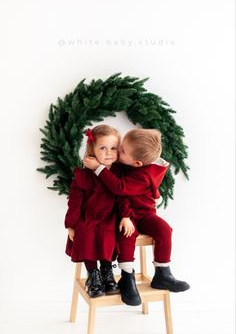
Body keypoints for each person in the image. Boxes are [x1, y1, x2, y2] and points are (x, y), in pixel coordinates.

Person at [83, 128, 190, 306]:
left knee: (164, 230)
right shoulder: (125, 164)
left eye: (122, 150)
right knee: (127, 234)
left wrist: (99, 168)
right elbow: (119, 196)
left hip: (145, 214)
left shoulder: (144, 175)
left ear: (138, 163)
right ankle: (127, 277)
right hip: (126, 214)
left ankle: (163, 273)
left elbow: (120, 188)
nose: (117, 151)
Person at [64, 125, 135, 298]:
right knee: (86, 234)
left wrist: (125, 216)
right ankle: (93, 275)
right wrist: (71, 225)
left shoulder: (119, 172)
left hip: (110, 217)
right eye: (103, 148)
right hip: (88, 217)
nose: (109, 152)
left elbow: (122, 196)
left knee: (108, 235)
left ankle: (106, 270)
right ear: (92, 149)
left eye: (113, 148)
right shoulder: (83, 175)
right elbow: (74, 202)